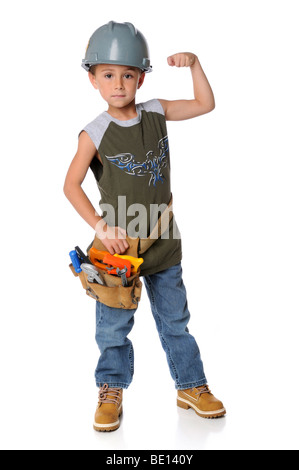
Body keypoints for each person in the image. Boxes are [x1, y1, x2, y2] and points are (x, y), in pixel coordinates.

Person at [64, 21, 226, 432]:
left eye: (128, 74)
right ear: (93, 79)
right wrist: (100, 225)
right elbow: (70, 185)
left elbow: (204, 104)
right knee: (113, 327)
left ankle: (192, 385)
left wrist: (196, 64)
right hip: (118, 252)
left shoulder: (155, 112)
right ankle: (110, 389)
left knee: (176, 321)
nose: (118, 83)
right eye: (108, 74)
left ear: (141, 76)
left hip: (163, 243)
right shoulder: (94, 133)